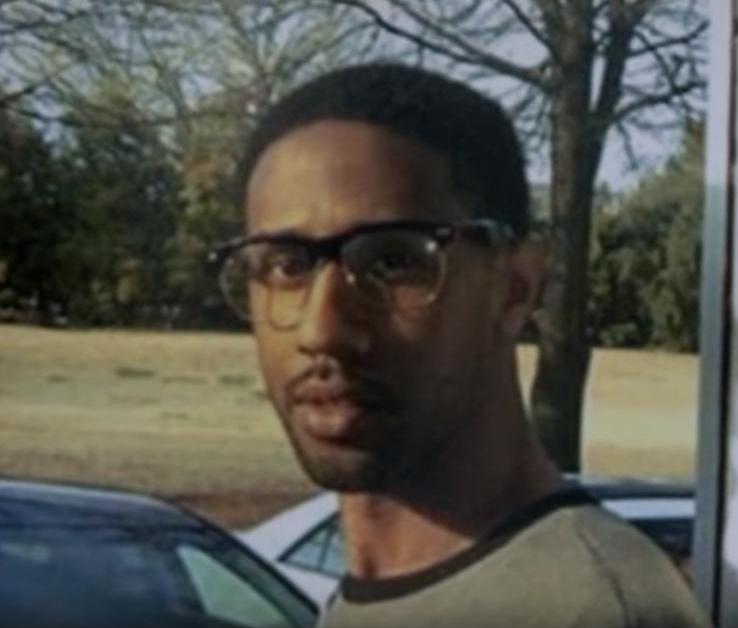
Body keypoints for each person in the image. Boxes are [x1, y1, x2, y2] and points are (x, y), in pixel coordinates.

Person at [216, 64, 710, 628]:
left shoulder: (588, 612)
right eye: (287, 266)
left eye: (393, 261)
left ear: (516, 286)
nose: (321, 330)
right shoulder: (380, 594)